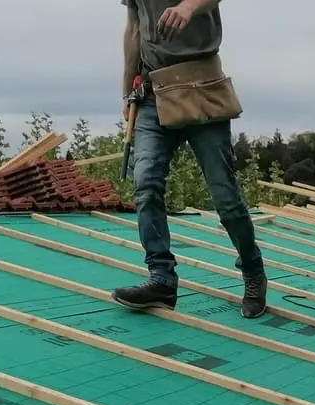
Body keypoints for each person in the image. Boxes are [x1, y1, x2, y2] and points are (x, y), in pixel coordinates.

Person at [115, 0, 267, 318]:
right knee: (146, 183)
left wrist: (188, 6)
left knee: (225, 196)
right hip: (153, 92)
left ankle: (253, 271)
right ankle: (162, 279)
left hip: (201, 86)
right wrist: (127, 89)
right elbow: (134, 28)